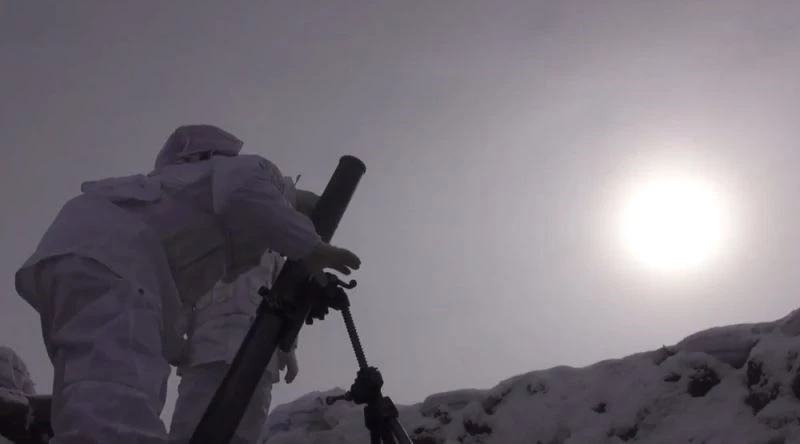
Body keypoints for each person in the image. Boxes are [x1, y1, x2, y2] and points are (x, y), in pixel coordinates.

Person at [14, 124, 361, 444]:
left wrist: (285, 343)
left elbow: (186, 294)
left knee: (93, 382)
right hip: (114, 263)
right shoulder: (253, 174)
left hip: (81, 260)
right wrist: (313, 248)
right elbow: (247, 194)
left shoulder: (186, 205)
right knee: (119, 391)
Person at [168, 176, 318, 444]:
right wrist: (173, 337)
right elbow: (185, 298)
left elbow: (290, 301)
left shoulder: (274, 259)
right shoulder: (208, 250)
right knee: (188, 431)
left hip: (258, 357)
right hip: (204, 355)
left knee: (244, 433)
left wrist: (288, 348)